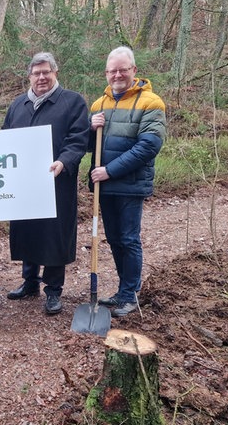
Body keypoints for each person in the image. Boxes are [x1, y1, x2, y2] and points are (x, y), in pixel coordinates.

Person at [3, 52, 89, 315]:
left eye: (46, 72)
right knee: (28, 229)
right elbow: (7, 139)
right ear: (29, 76)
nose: (41, 77)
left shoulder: (73, 102)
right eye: (36, 73)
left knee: (54, 234)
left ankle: (53, 289)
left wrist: (64, 161)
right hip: (24, 182)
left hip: (57, 180)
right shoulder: (18, 105)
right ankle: (30, 282)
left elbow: (78, 139)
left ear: (55, 73)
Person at [89, 46, 166, 317]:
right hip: (105, 186)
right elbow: (90, 146)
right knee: (113, 239)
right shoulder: (100, 104)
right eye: (113, 71)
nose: (118, 75)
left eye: (123, 69)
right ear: (106, 74)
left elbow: (148, 146)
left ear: (134, 70)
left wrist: (109, 170)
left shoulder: (151, 102)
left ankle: (131, 294)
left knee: (129, 239)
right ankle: (123, 291)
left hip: (129, 184)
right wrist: (91, 127)